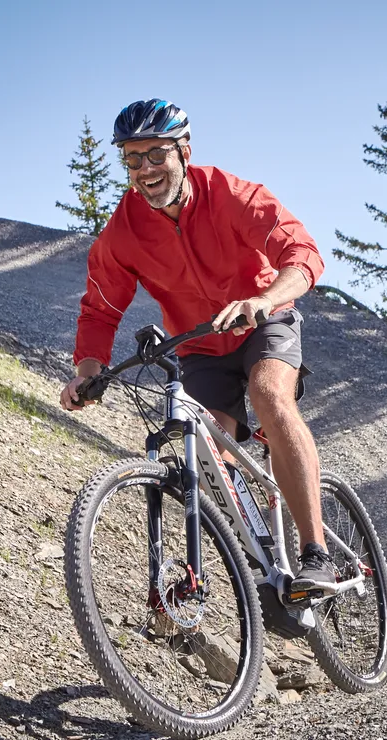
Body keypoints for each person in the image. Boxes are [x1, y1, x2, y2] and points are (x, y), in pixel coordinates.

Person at [59, 98, 336, 591]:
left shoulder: (231, 194)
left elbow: (302, 254)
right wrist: (87, 370)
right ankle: (261, 572)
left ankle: (317, 553)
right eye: (132, 158)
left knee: (269, 394)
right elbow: (101, 306)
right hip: (201, 348)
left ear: (184, 151)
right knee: (207, 451)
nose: (145, 169)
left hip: (264, 322)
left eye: (156, 154)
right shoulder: (125, 230)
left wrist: (263, 297)